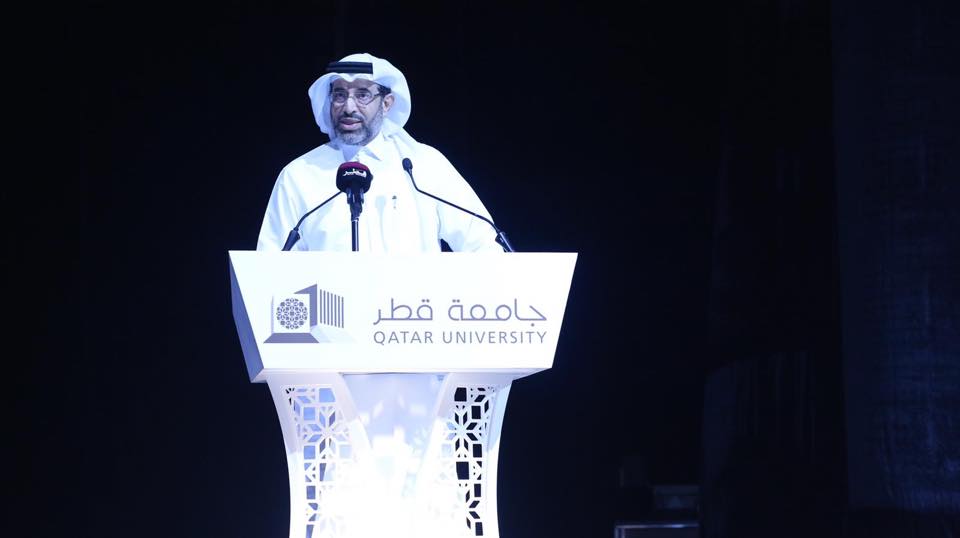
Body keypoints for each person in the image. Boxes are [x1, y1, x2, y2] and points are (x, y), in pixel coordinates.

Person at [256, 52, 504, 253]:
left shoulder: (423, 165)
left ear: (386, 104)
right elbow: (271, 266)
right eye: (339, 95)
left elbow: (483, 245)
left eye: (362, 95)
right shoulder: (299, 175)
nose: (348, 107)